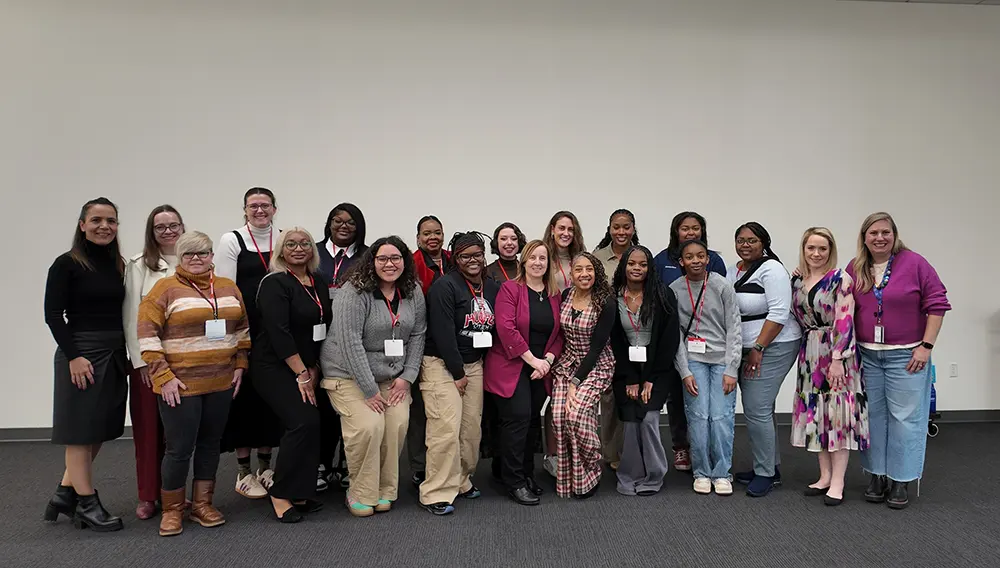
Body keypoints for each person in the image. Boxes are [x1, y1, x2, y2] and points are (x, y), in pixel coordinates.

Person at [137, 231, 249, 536]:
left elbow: (242, 330)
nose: (197, 259)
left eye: (203, 253)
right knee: (179, 448)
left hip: (221, 381)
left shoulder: (228, 288)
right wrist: (163, 377)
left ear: (213, 255)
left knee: (210, 445)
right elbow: (147, 337)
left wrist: (240, 365)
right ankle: (173, 509)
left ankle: (202, 504)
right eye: (189, 254)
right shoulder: (164, 289)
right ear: (179, 257)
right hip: (180, 386)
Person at [846, 213, 949, 509]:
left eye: (885, 232)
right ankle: (877, 474)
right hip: (866, 354)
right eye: (873, 233)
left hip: (906, 356)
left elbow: (938, 303)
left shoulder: (915, 263)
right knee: (873, 417)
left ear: (894, 234)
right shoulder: (856, 267)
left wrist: (926, 346)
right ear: (864, 237)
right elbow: (834, 294)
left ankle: (901, 479)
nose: (880, 238)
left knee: (905, 419)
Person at [321, 236, 427, 517]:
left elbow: (418, 334)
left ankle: (385, 490)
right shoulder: (354, 292)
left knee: (396, 424)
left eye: (395, 258)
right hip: (349, 376)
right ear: (372, 261)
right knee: (369, 426)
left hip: (393, 376)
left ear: (405, 261)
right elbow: (349, 342)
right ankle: (360, 492)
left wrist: (408, 377)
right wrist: (369, 390)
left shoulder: (412, 290)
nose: (389, 264)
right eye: (382, 259)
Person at [43, 197, 128, 532]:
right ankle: (87, 504)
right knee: (79, 434)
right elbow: (53, 316)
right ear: (82, 225)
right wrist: (75, 356)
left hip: (114, 351)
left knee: (98, 431)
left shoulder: (118, 264)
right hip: (81, 353)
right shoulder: (65, 264)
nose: (104, 226)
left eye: (111, 220)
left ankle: (65, 493)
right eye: (96, 220)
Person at [419, 232, 500, 515]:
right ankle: (435, 492)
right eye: (465, 256)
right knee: (445, 429)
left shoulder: (491, 286)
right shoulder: (445, 286)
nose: (473, 260)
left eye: (477, 254)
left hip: (474, 364)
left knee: (470, 430)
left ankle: (461, 479)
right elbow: (442, 333)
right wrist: (457, 372)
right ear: (455, 258)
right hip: (442, 365)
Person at [254, 228, 332, 522]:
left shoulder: (317, 281)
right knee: (302, 421)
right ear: (280, 251)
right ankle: (280, 492)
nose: (298, 249)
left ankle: (301, 490)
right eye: (291, 244)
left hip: (307, 365)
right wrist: (301, 373)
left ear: (312, 249)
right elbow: (280, 333)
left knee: (315, 422)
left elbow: (321, 327)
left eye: (304, 244)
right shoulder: (274, 283)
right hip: (274, 365)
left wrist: (313, 367)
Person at [791, 227, 869, 506]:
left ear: (830, 250)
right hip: (809, 353)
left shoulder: (840, 279)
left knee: (837, 419)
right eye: (811, 248)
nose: (816, 253)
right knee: (817, 416)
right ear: (803, 249)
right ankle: (824, 476)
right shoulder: (799, 280)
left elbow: (845, 320)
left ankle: (838, 482)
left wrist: (838, 360)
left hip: (835, 353)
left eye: (822, 248)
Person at [215, 187, 283, 498]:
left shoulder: (283, 237)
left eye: (265, 205)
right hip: (246, 331)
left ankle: (265, 466)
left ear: (274, 208)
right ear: (245, 210)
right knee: (244, 401)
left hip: (276, 332)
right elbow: (226, 291)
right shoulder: (233, 240)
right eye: (253, 206)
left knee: (270, 400)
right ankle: (243, 471)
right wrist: (233, 340)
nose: (259, 211)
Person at [484, 240, 564, 506]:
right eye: (533, 258)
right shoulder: (510, 289)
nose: (538, 262)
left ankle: (526, 474)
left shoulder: (554, 294)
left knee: (530, 420)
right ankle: (514, 481)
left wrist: (547, 361)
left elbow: (559, 333)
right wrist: (533, 361)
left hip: (541, 368)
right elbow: (506, 328)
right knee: (516, 420)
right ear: (524, 261)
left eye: (543, 258)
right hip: (513, 364)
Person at [727, 222, 802, 497]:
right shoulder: (733, 268)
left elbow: (780, 313)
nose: (746, 245)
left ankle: (765, 474)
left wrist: (759, 346)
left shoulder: (772, 270)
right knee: (762, 409)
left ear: (764, 243)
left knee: (756, 408)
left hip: (774, 345)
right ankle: (770, 466)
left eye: (752, 240)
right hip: (746, 346)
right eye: (741, 240)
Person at [653, 211, 726, 472]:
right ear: (676, 231)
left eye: (696, 228)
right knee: (675, 396)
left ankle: (704, 450)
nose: (691, 233)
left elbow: (718, 297)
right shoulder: (661, 260)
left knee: (704, 401)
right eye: (685, 228)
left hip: (709, 342)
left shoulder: (714, 260)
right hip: (674, 337)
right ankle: (681, 447)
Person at [123, 205, 184, 520]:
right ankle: (148, 494)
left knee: (181, 432)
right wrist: (141, 363)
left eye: (173, 225)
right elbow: (132, 315)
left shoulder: (196, 260)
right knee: (148, 429)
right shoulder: (138, 266)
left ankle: (176, 494)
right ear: (152, 232)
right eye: (161, 227)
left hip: (188, 361)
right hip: (150, 362)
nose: (168, 231)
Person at [670, 240, 743, 496]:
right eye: (690, 257)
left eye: (701, 256)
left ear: (708, 259)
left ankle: (722, 472)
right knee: (699, 417)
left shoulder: (722, 286)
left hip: (722, 360)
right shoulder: (675, 289)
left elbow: (735, 328)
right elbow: (675, 334)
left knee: (721, 417)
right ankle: (701, 471)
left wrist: (732, 368)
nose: (696, 261)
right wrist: (684, 370)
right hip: (693, 360)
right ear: (682, 261)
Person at [609, 245, 680, 496]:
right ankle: (630, 474)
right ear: (624, 266)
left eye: (642, 264)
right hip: (625, 367)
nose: (636, 268)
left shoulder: (663, 295)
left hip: (657, 368)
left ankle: (653, 475)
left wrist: (650, 379)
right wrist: (630, 378)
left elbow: (669, 341)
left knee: (649, 418)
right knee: (629, 420)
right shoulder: (613, 296)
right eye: (631, 264)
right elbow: (615, 341)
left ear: (650, 268)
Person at [550, 252, 616, 499]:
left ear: (597, 271)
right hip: (567, 364)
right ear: (571, 274)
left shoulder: (605, 302)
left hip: (596, 366)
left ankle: (592, 464)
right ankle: (572, 477)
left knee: (576, 415)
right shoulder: (566, 296)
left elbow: (597, 348)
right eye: (579, 270)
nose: (584, 274)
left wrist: (575, 383)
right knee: (558, 417)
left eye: (589, 269)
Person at [314, 203, 368, 492]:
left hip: (352, 337)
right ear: (329, 223)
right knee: (323, 404)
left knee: (352, 402)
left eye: (350, 222)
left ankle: (348, 462)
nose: (344, 226)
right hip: (317, 335)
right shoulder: (314, 252)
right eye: (338, 221)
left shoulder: (366, 256)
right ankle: (322, 462)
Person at [592, 209, 639, 472]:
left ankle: (632, 449)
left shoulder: (641, 255)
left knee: (632, 391)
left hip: (636, 335)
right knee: (608, 396)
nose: (621, 232)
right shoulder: (598, 258)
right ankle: (610, 451)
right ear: (609, 228)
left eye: (626, 227)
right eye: (616, 227)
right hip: (607, 334)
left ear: (633, 228)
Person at [408, 215, 451, 486]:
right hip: (420, 342)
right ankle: (419, 465)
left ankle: (445, 461)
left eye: (437, 232)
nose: (432, 237)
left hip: (452, 342)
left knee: (444, 409)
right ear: (418, 238)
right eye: (426, 234)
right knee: (420, 410)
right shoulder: (411, 263)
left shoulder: (453, 258)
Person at [481, 222, 526, 467]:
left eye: (513, 238)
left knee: (522, 411)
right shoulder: (488, 272)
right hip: (495, 344)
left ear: (520, 242)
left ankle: (521, 462)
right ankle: (498, 460)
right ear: (496, 244)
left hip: (528, 343)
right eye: (503, 239)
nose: (508, 243)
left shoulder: (528, 268)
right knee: (498, 408)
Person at [542, 211, 585, 293]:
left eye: (570, 229)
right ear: (552, 230)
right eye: (561, 228)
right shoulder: (543, 258)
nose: (566, 233)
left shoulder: (581, 259)